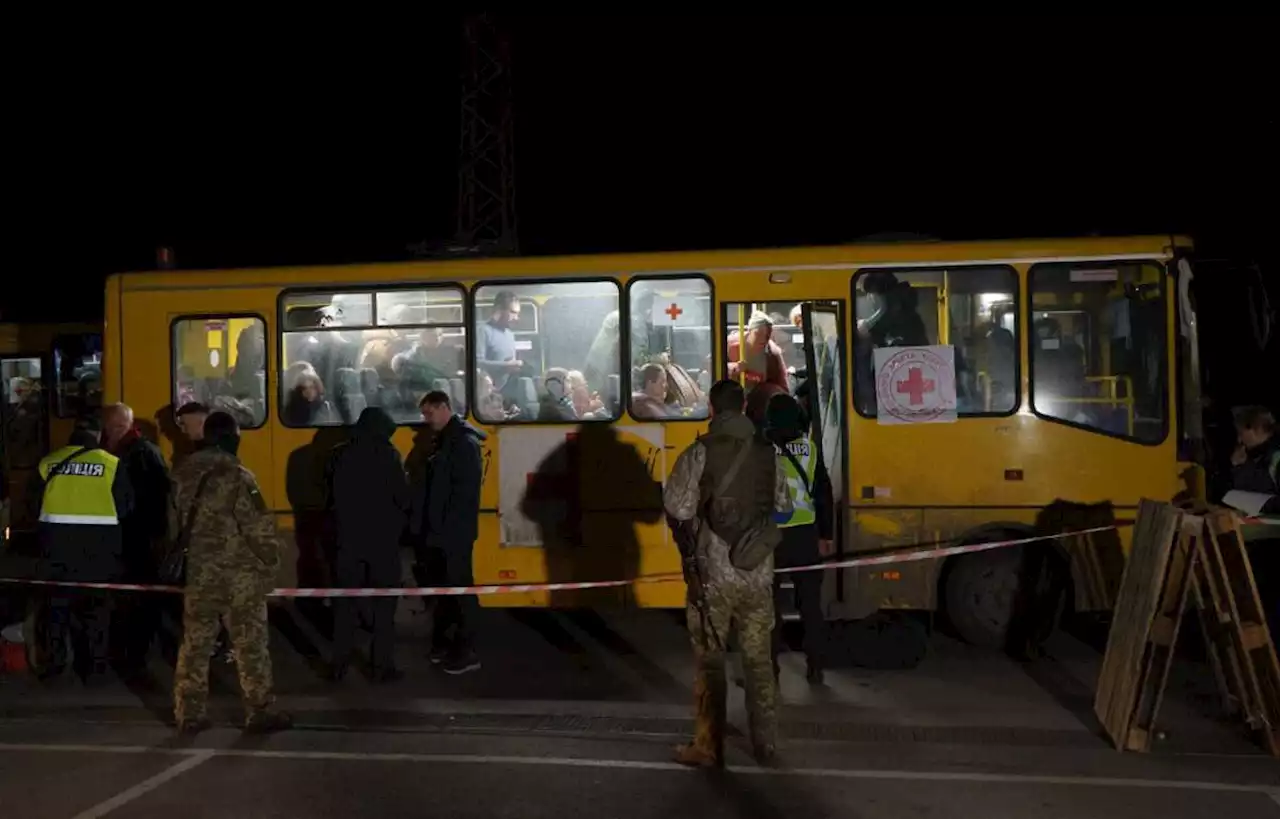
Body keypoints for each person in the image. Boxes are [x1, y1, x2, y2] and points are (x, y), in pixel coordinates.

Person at [664, 379, 790, 767]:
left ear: (713, 409)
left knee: (710, 660)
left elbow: (678, 508)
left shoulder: (699, 452)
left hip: (714, 575)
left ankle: (708, 746)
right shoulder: (769, 454)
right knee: (758, 660)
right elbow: (783, 508)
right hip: (757, 572)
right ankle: (766, 743)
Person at [169, 411, 289, 734]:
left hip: (199, 574)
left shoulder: (182, 473)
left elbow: (171, 526)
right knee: (250, 643)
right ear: (232, 437)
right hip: (239, 577)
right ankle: (259, 710)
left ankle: (189, 712)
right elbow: (257, 527)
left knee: (195, 643)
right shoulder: (237, 474)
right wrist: (272, 562)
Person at [34, 418, 134, 683]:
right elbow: (125, 507)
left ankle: (55, 665)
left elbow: (34, 504)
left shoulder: (48, 462)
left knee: (57, 609)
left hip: (55, 550)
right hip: (98, 552)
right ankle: (94, 669)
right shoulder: (111, 464)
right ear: (97, 434)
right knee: (96, 612)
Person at [327, 407, 410, 682]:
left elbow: (330, 495)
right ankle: (381, 666)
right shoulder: (388, 456)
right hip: (382, 544)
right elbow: (403, 497)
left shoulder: (340, 454)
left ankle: (339, 663)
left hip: (347, 541)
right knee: (384, 607)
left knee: (345, 604)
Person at [763, 392, 834, 685]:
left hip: (772, 537)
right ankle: (816, 667)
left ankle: (771, 670)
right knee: (810, 606)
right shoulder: (811, 450)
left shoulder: (762, 450)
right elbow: (823, 495)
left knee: (770, 605)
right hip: (805, 535)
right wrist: (826, 535)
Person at [413, 390, 485, 675]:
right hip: (443, 533)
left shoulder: (462, 443)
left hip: (453, 535)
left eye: (429, 413)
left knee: (461, 591)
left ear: (444, 408)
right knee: (447, 591)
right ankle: (447, 645)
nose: (426, 420)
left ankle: (467, 651)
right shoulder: (446, 441)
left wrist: (443, 531)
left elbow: (462, 496)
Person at [102, 403, 171, 672]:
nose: (113, 432)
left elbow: (156, 496)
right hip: (133, 535)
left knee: (141, 598)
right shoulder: (127, 452)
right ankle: (133, 652)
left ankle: (138, 655)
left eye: (118, 427)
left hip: (140, 536)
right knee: (133, 598)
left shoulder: (140, 453)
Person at [726, 311, 789, 393]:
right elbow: (711, 365)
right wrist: (733, 368)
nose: (763, 339)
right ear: (749, 331)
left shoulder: (773, 353)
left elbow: (782, 385)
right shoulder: (730, 343)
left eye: (767, 335)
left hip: (758, 398)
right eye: (758, 334)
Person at [476, 291, 524, 394]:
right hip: (487, 390)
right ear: (498, 310)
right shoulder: (483, 331)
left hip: (508, 389)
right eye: (513, 312)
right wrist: (507, 365)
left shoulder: (510, 334)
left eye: (517, 314)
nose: (516, 318)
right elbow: (477, 362)